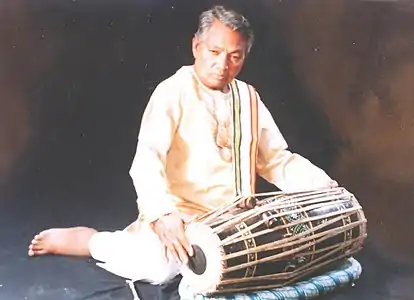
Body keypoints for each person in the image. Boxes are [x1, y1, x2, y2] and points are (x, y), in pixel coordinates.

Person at [28, 5, 337, 288]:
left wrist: (323, 187)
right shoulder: (172, 92)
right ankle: (90, 240)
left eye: (235, 56)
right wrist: (162, 214)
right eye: (214, 51)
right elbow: (147, 160)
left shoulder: (249, 99)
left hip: (235, 222)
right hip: (181, 219)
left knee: (282, 257)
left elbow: (277, 160)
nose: (222, 64)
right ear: (196, 47)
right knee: (156, 268)